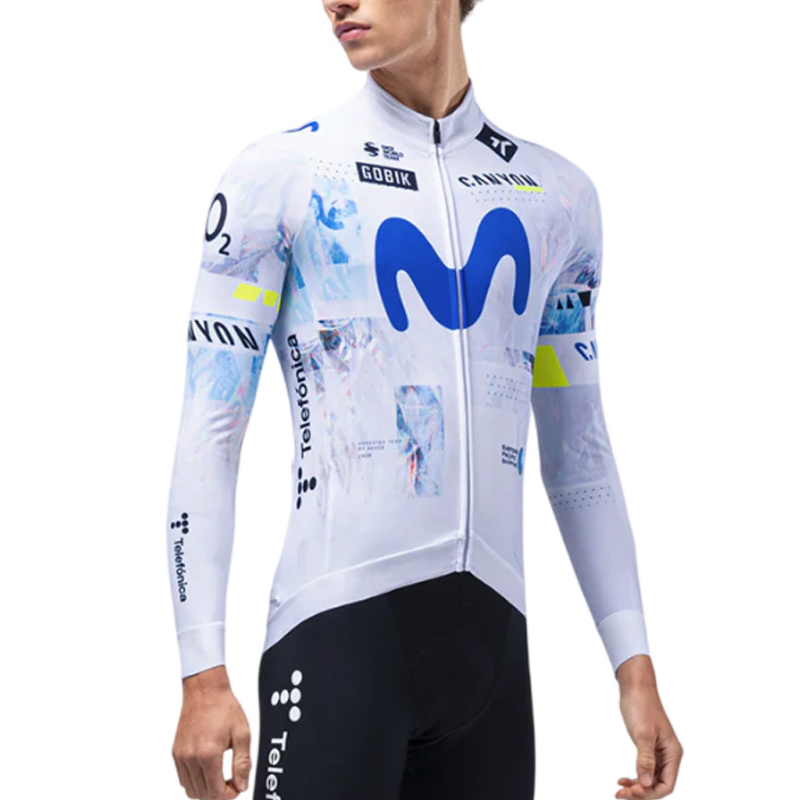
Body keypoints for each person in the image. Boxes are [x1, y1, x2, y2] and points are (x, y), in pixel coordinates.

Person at [166, 0, 683, 798]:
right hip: (336, 637)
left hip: (493, 660)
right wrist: (202, 671)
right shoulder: (280, 175)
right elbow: (211, 433)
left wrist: (634, 666)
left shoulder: (558, 197)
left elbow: (579, 451)